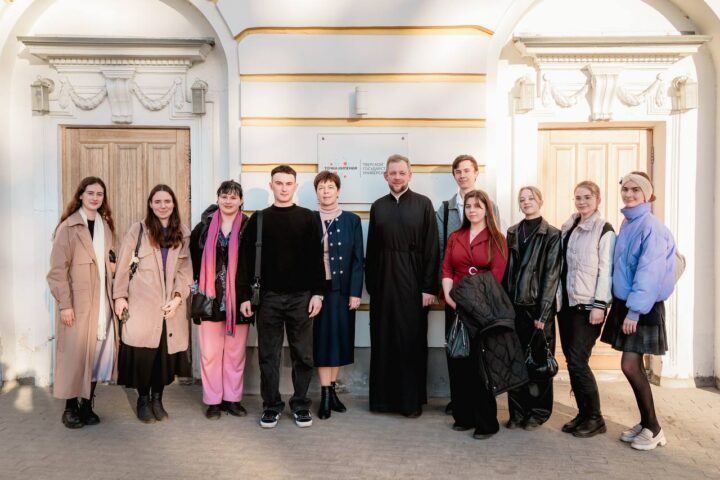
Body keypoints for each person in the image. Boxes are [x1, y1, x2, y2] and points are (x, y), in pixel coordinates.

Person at [239, 165, 325, 429]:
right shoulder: (258, 219)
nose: (284, 188)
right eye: (279, 183)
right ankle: (271, 406)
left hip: (302, 298)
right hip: (268, 298)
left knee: (304, 355)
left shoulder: (309, 218)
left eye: (288, 183)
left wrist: (318, 293)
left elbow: (317, 259)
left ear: (295, 186)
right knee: (268, 355)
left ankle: (300, 404)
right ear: (271, 185)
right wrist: (245, 296)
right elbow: (245, 261)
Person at [600, 171, 675, 451]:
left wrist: (634, 312)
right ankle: (646, 423)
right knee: (633, 365)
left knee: (630, 365)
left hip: (641, 306)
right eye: (626, 189)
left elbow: (649, 272)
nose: (629, 194)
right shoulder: (629, 222)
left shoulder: (651, 226)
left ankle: (654, 429)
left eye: (635, 190)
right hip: (629, 303)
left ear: (647, 194)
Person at [366, 154, 440, 417]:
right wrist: (373, 286)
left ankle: (410, 402)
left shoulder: (423, 204)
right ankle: (383, 401)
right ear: (385, 176)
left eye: (401, 173)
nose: (397, 177)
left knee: (411, 341)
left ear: (410, 175)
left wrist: (429, 288)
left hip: (414, 282)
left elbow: (432, 248)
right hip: (384, 284)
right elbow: (372, 249)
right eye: (393, 173)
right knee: (383, 339)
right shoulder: (378, 206)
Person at [113, 184, 192, 423]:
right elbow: (123, 266)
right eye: (157, 201)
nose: (162, 206)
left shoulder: (183, 233)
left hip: (170, 308)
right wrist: (119, 296)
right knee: (144, 357)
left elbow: (186, 271)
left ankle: (158, 399)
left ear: (174, 204)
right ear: (150, 204)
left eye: (167, 201)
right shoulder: (138, 231)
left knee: (163, 358)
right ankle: (143, 400)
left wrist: (178, 298)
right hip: (142, 306)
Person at [47, 177, 117, 429]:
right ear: (80, 195)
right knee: (74, 356)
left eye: (100, 194)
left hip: (102, 303)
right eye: (90, 193)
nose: (95, 198)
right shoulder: (68, 227)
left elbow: (107, 261)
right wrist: (65, 304)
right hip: (77, 303)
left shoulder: (105, 227)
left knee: (96, 355)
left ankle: (87, 405)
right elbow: (57, 271)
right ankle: (70, 408)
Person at [435, 154, 500, 415]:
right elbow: (442, 252)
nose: (462, 175)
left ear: (475, 173)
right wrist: (446, 292)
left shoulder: (491, 206)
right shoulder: (445, 209)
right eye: (458, 171)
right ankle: (458, 401)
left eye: (466, 170)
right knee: (455, 346)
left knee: (478, 352)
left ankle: (480, 405)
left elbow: (495, 254)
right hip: (454, 293)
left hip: (482, 299)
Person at [441, 189, 508, 439]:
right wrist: (449, 298)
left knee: (480, 367)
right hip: (455, 306)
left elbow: (496, 277)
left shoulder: (497, 239)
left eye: (478, 206)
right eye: (468, 206)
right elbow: (447, 269)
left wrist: (474, 305)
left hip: (482, 310)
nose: (472, 210)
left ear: (487, 210)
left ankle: (486, 422)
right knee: (458, 362)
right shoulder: (455, 237)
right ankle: (463, 416)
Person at [558, 181, 615, 438]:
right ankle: (583, 413)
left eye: (587, 197)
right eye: (578, 197)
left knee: (578, 360)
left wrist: (600, 305)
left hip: (588, 306)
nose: (582, 202)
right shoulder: (569, 227)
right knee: (572, 361)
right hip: (568, 305)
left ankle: (595, 418)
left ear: (598, 199)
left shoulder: (604, 230)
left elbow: (606, 271)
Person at [190, 180, 250, 420]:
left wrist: (249, 296)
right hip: (210, 300)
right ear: (217, 199)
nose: (228, 201)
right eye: (224, 196)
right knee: (210, 354)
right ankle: (213, 401)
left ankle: (232, 400)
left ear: (241, 200)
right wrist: (195, 288)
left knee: (235, 354)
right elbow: (193, 263)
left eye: (233, 197)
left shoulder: (248, 226)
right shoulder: (203, 228)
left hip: (239, 301)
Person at [502, 186, 561, 430]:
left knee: (538, 364)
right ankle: (517, 412)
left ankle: (537, 413)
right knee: (514, 363)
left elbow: (551, 275)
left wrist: (543, 313)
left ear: (540, 201)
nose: (526, 202)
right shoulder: (512, 232)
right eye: (522, 199)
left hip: (537, 309)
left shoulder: (552, 234)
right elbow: (507, 271)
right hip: (514, 308)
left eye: (531, 198)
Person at [312, 171, 364, 419]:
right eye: (321, 187)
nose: (326, 191)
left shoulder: (352, 220)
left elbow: (358, 259)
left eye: (330, 187)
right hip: (318, 290)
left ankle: (332, 391)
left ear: (338, 191)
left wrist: (355, 292)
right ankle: (324, 395)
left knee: (339, 341)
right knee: (323, 341)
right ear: (316, 192)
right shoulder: (309, 219)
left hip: (342, 290)